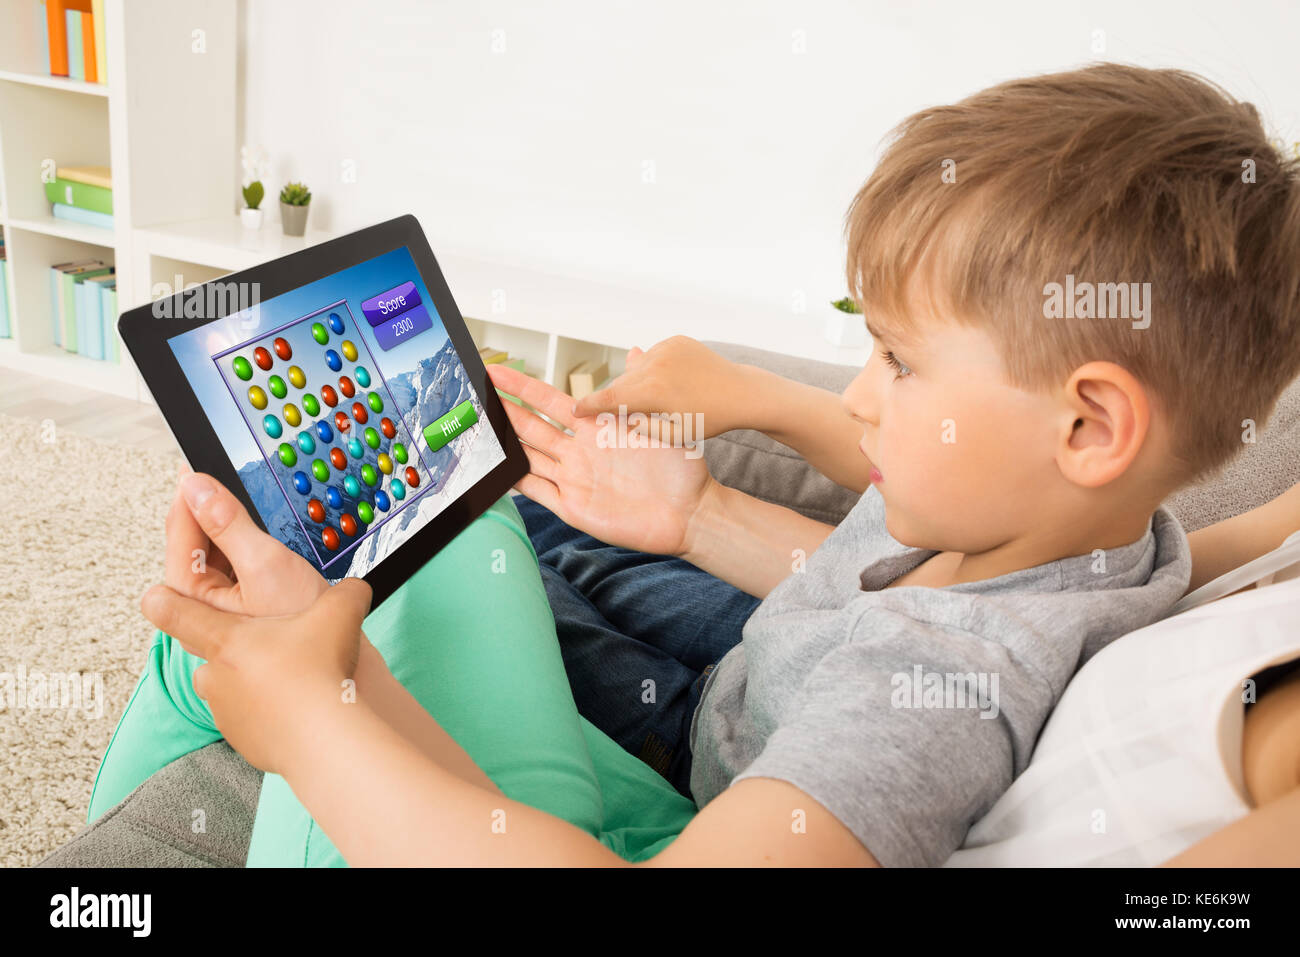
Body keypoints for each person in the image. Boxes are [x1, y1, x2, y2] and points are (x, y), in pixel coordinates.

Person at [94, 62, 1300, 865]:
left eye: (895, 360)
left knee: (402, 568)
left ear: (1089, 428)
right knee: (468, 519)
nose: (861, 399)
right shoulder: (1100, 536)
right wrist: (704, 492)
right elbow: (875, 551)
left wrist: (310, 721)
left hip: (693, 777)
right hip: (738, 693)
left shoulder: (927, 707)